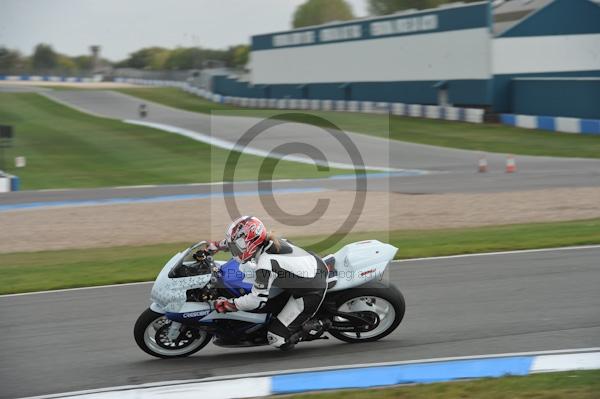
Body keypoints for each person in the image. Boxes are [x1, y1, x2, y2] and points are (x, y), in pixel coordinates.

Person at [207, 216, 328, 349]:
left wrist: (229, 304)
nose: (236, 248)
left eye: (239, 244)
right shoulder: (268, 240)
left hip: (311, 289)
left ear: (251, 241)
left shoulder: (265, 263)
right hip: (311, 264)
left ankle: (319, 324)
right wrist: (218, 245)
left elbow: (256, 301)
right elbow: (236, 241)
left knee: (276, 338)